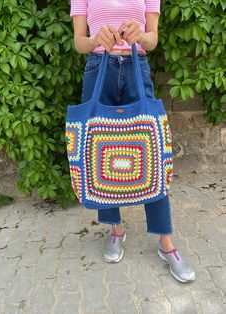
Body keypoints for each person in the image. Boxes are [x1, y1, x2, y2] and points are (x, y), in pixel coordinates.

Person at [69, 0, 196, 283]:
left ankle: (167, 244)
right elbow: (79, 42)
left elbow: (152, 38)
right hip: (98, 67)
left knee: (153, 151)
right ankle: (115, 229)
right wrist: (94, 39)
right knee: (97, 151)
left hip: (137, 66)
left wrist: (139, 35)